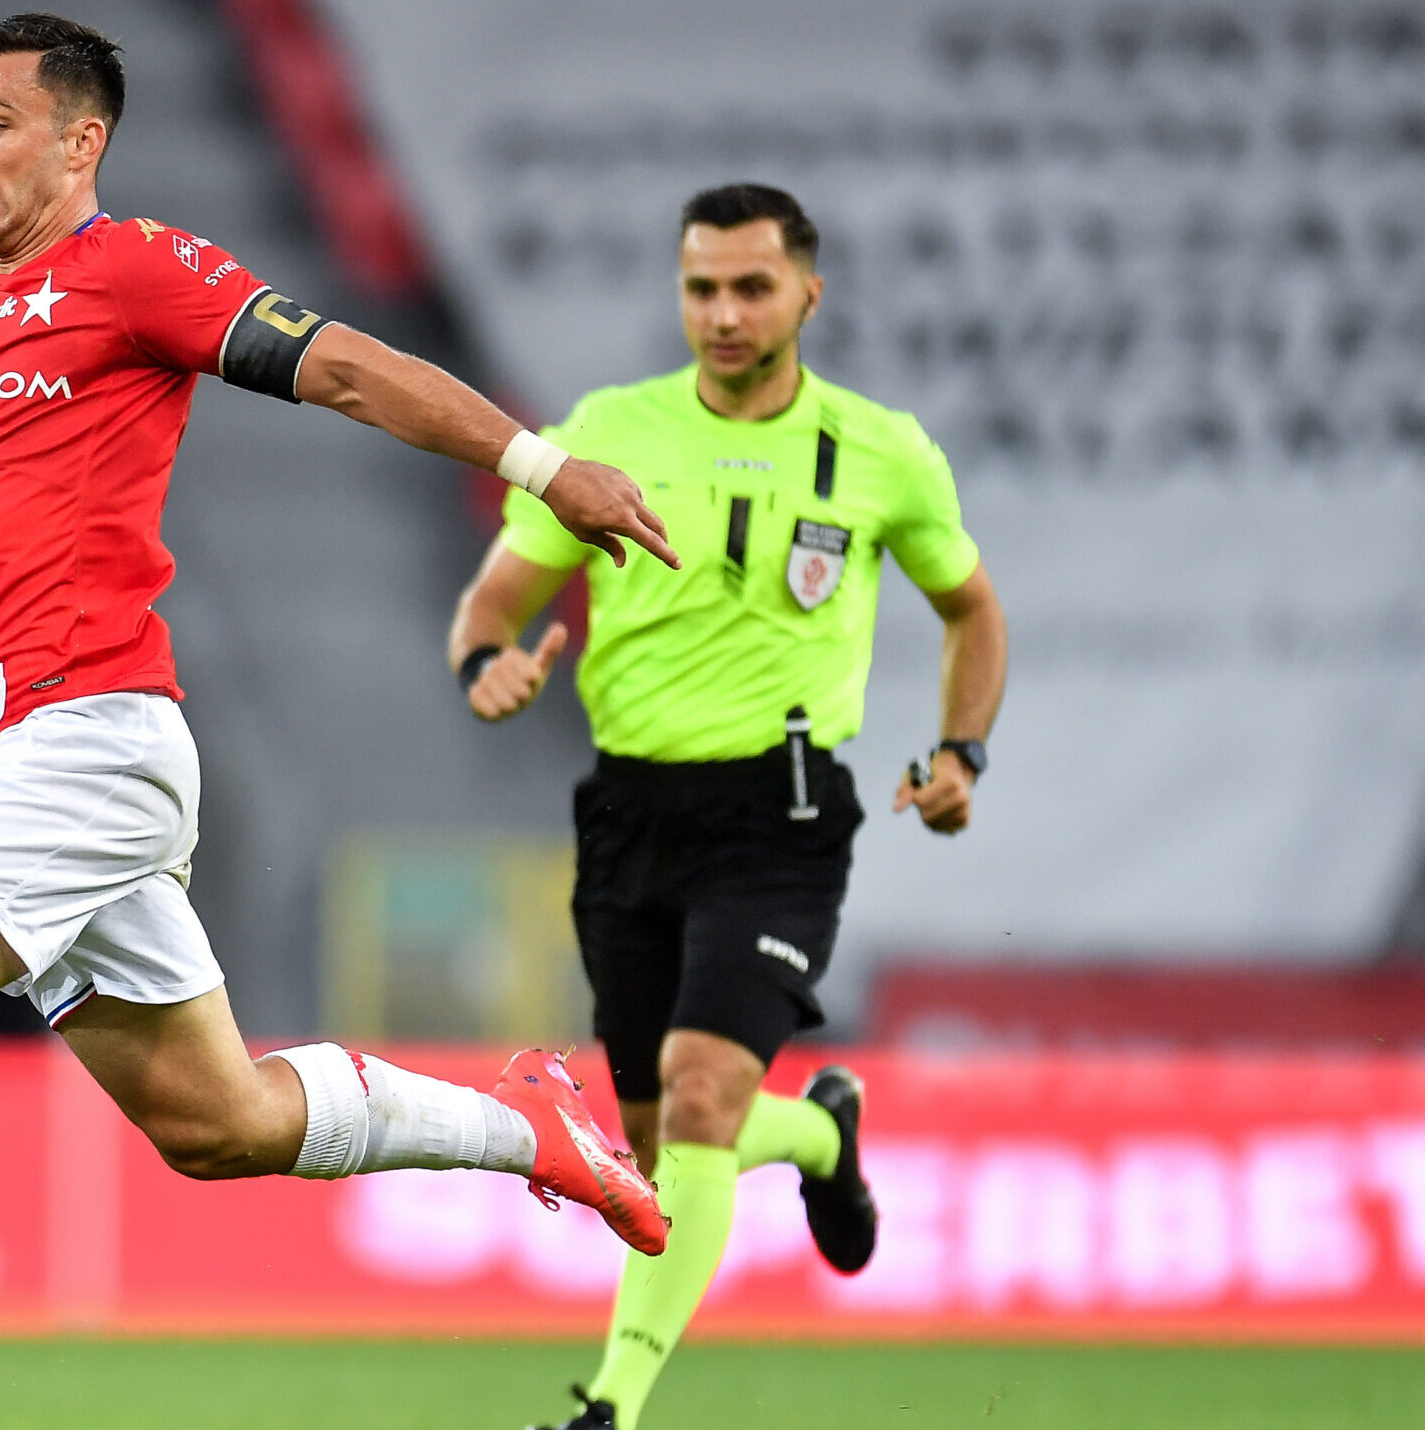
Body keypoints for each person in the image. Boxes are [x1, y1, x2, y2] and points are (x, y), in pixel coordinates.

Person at [0, 15, 680, 1429]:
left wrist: (538, 464)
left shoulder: (135, 270)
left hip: (89, 737)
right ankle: (524, 1124)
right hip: (18, 757)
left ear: (79, 140)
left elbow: (345, 367)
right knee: (219, 1122)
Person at [447, 184, 1008, 1430]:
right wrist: (485, 660)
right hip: (628, 811)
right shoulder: (609, 430)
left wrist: (959, 750)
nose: (722, 312)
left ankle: (608, 1407)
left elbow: (970, 608)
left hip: (780, 810)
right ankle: (817, 1136)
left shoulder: (880, 450)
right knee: (657, 1149)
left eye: (751, 287)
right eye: (700, 287)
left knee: (699, 1094)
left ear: (807, 293)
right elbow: (492, 603)